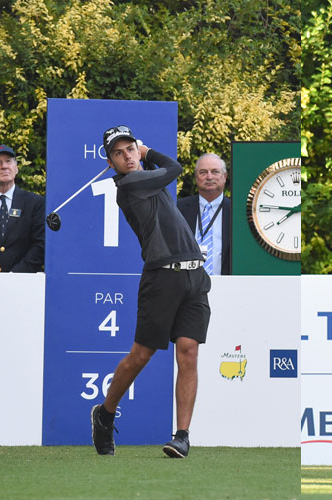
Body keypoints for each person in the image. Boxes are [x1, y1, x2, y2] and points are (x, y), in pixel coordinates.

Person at [90, 125, 211, 459]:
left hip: (193, 277)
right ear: (111, 162)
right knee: (141, 355)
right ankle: (106, 412)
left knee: (188, 351)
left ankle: (182, 436)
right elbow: (174, 168)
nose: (127, 156)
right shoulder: (129, 185)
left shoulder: (146, 180)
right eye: (119, 152)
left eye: (130, 149)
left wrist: (144, 157)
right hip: (161, 279)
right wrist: (147, 151)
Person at [0, 144, 44, 273]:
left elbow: (39, 245)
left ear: (16, 168)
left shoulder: (35, 203)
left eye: (8, 161)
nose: (4, 166)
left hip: (23, 284)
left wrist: (13, 277)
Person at [177, 153, 232, 275]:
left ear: (224, 176)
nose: (209, 177)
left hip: (228, 288)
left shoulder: (236, 212)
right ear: (196, 177)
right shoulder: (178, 209)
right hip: (186, 289)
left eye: (215, 172)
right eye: (203, 172)